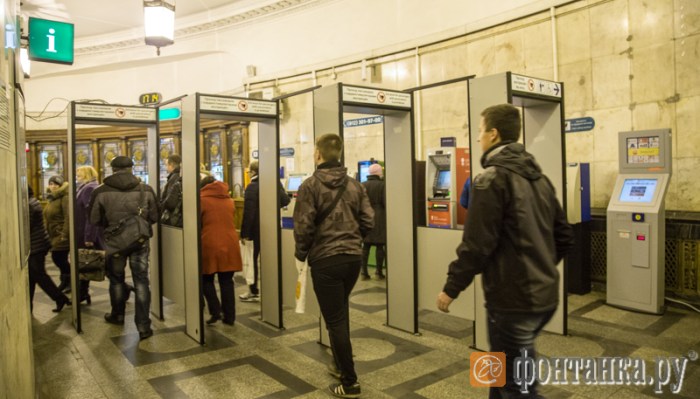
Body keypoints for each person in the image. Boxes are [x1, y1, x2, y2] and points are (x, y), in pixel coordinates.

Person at [436, 104, 575, 398]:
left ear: (494, 134)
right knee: (498, 369)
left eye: (480, 131)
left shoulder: (489, 180)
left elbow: (476, 246)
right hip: (542, 296)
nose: (478, 139)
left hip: (511, 300)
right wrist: (541, 267)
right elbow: (564, 236)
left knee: (516, 385)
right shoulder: (540, 179)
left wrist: (451, 288)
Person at [293, 133, 374, 398]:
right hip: (352, 259)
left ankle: (349, 382)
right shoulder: (355, 185)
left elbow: (303, 226)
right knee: (340, 313)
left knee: (335, 319)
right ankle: (339, 364)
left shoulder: (309, 186)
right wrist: (352, 240)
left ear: (318, 154)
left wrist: (301, 253)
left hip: (326, 261)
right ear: (338, 154)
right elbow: (368, 221)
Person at [89, 156, 159, 340]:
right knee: (142, 281)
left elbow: (94, 219)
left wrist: (111, 225)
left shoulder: (100, 191)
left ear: (112, 169)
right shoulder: (146, 189)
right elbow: (154, 216)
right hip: (140, 242)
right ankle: (144, 327)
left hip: (114, 244)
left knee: (116, 279)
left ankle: (118, 315)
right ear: (131, 168)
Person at [239, 160, 290, 302]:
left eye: (249, 172)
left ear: (254, 172)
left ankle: (253, 290)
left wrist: (244, 233)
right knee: (271, 259)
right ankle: (272, 289)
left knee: (252, 259)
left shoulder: (251, 187)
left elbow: (248, 212)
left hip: (255, 230)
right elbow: (286, 200)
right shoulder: (274, 184)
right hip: (271, 228)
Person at [199, 175, 243, 325]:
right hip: (230, 243)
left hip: (209, 243)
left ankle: (215, 310)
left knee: (206, 279)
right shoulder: (229, 200)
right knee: (227, 281)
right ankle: (230, 316)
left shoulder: (201, 200)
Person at [28, 186, 71, 313]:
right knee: (31, 275)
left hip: (36, 245)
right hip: (38, 243)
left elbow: (26, 226)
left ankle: (59, 297)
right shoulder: (33, 201)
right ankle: (28, 305)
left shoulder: (29, 204)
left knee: (38, 274)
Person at [75, 165, 106, 305]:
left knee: (92, 261)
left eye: (79, 175)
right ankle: (82, 292)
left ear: (86, 175)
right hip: (84, 230)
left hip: (87, 232)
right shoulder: (87, 187)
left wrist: (89, 236)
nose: (77, 177)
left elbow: (91, 214)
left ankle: (124, 288)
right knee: (86, 262)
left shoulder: (89, 188)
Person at [43, 175, 71, 293]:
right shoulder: (52, 198)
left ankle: (69, 281)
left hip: (61, 234)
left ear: (60, 185)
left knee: (58, 258)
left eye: (55, 184)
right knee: (60, 258)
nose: (53, 186)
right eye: (51, 184)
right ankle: (67, 281)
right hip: (53, 233)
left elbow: (68, 216)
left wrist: (64, 234)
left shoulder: (64, 197)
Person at [360, 163, 386, 281]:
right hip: (379, 217)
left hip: (365, 217)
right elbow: (385, 203)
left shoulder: (362, 185)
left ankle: (364, 272)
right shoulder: (383, 185)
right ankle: (379, 272)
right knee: (380, 246)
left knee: (366, 246)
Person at [160, 154, 183, 227]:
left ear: (171, 165)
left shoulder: (173, 178)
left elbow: (170, 200)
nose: (166, 168)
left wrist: (163, 206)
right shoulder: (180, 176)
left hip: (174, 216)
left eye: (167, 165)